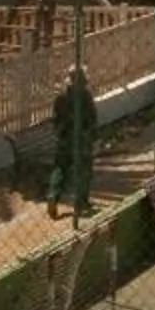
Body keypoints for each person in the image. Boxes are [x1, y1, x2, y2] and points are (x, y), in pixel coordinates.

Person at [48, 65, 96, 220]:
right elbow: (92, 118)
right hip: (81, 137)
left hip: (64, 136)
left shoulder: (61, 96)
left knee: (60, 168)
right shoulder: (86, 95)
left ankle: (52, 196)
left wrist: (60, 131)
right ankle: (81, 202)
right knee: (84, 169)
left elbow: (55, 118)